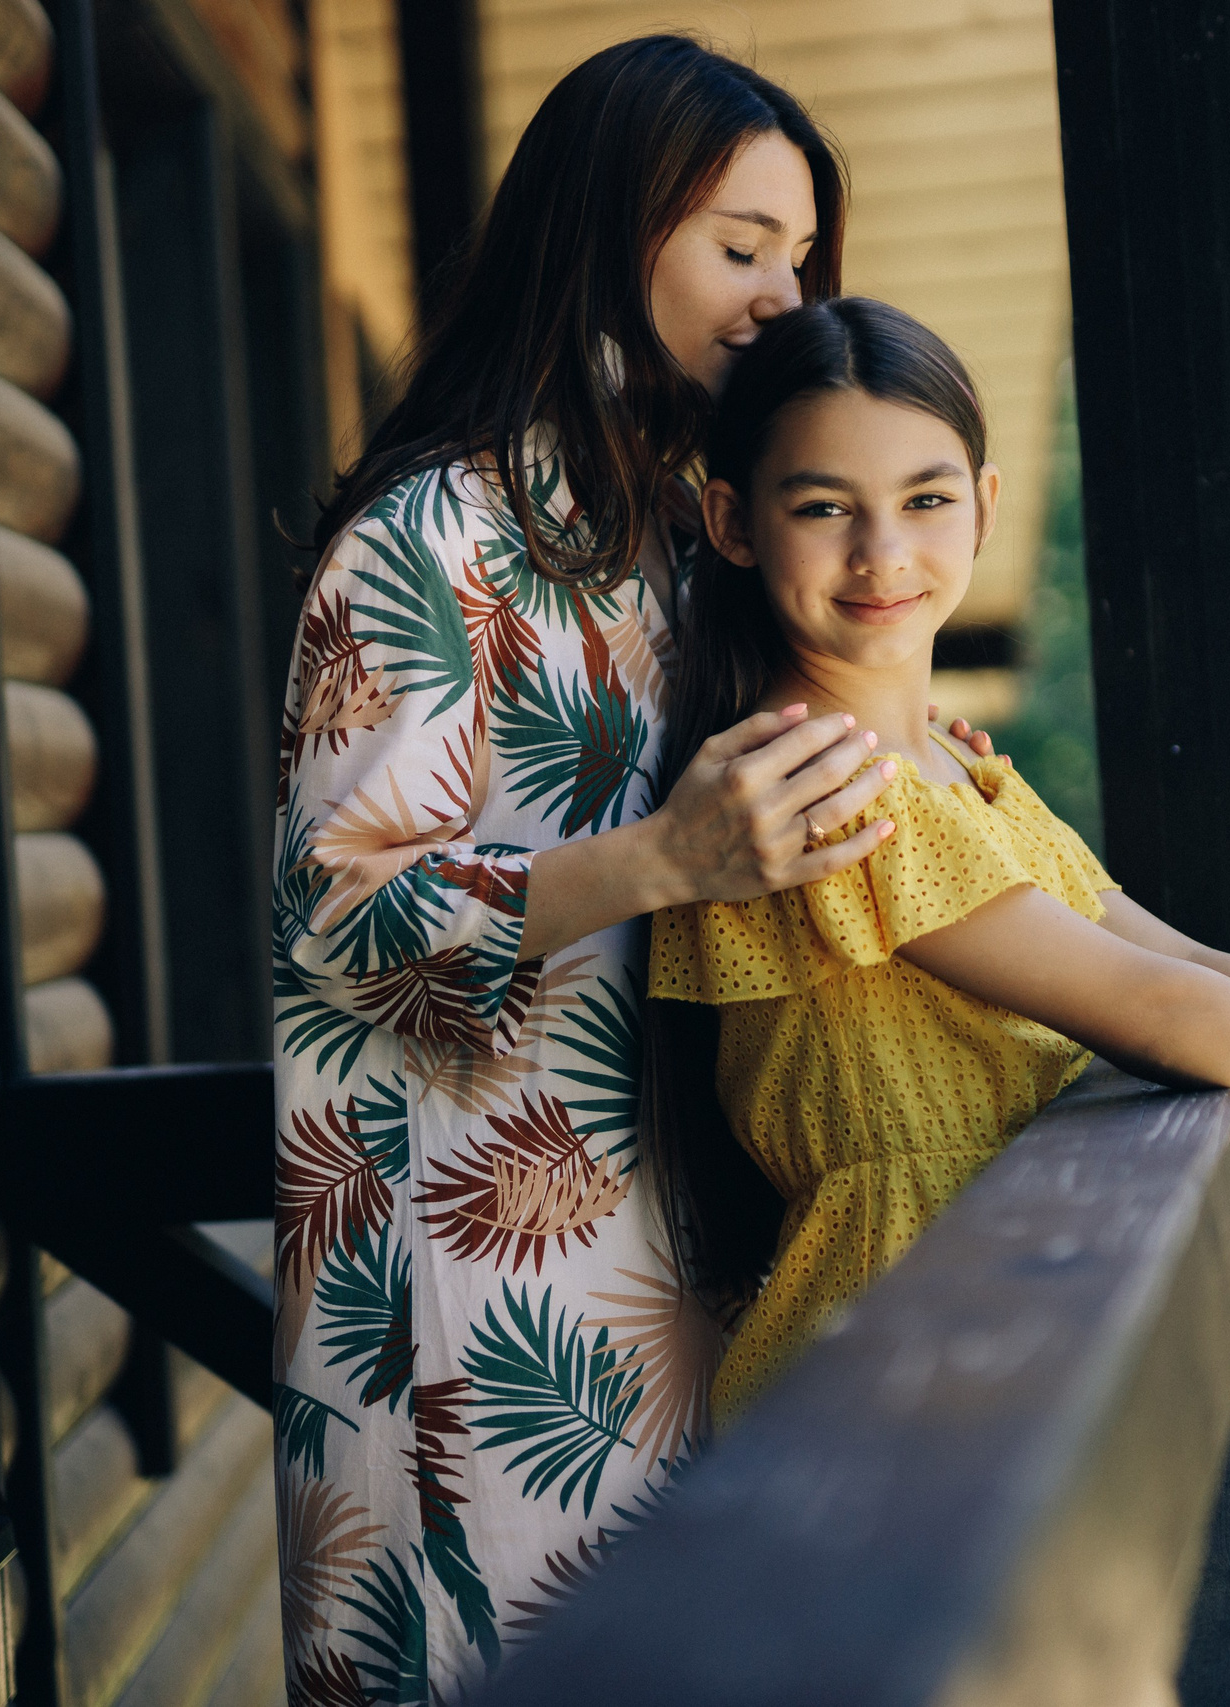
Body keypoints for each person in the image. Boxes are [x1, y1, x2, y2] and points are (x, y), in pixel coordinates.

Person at [269, 35, 993, 1697]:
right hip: (470, 1282)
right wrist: (664, 856)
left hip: (681, 1246)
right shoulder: (431, 534)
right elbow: (340, 913)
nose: (782, 294)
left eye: (800, 254)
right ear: (610, 230)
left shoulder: (683, 533)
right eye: (743, 246)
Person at [645, 297, 1230, 1424]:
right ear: (734, 522)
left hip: (995, 1315)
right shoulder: (813, 791)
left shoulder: (954, 765)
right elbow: (1164, 1009)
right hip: (891, 1351)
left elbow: (1188, 961)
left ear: (985, 507)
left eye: (926, 499)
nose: (882, 552)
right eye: (822, 507)